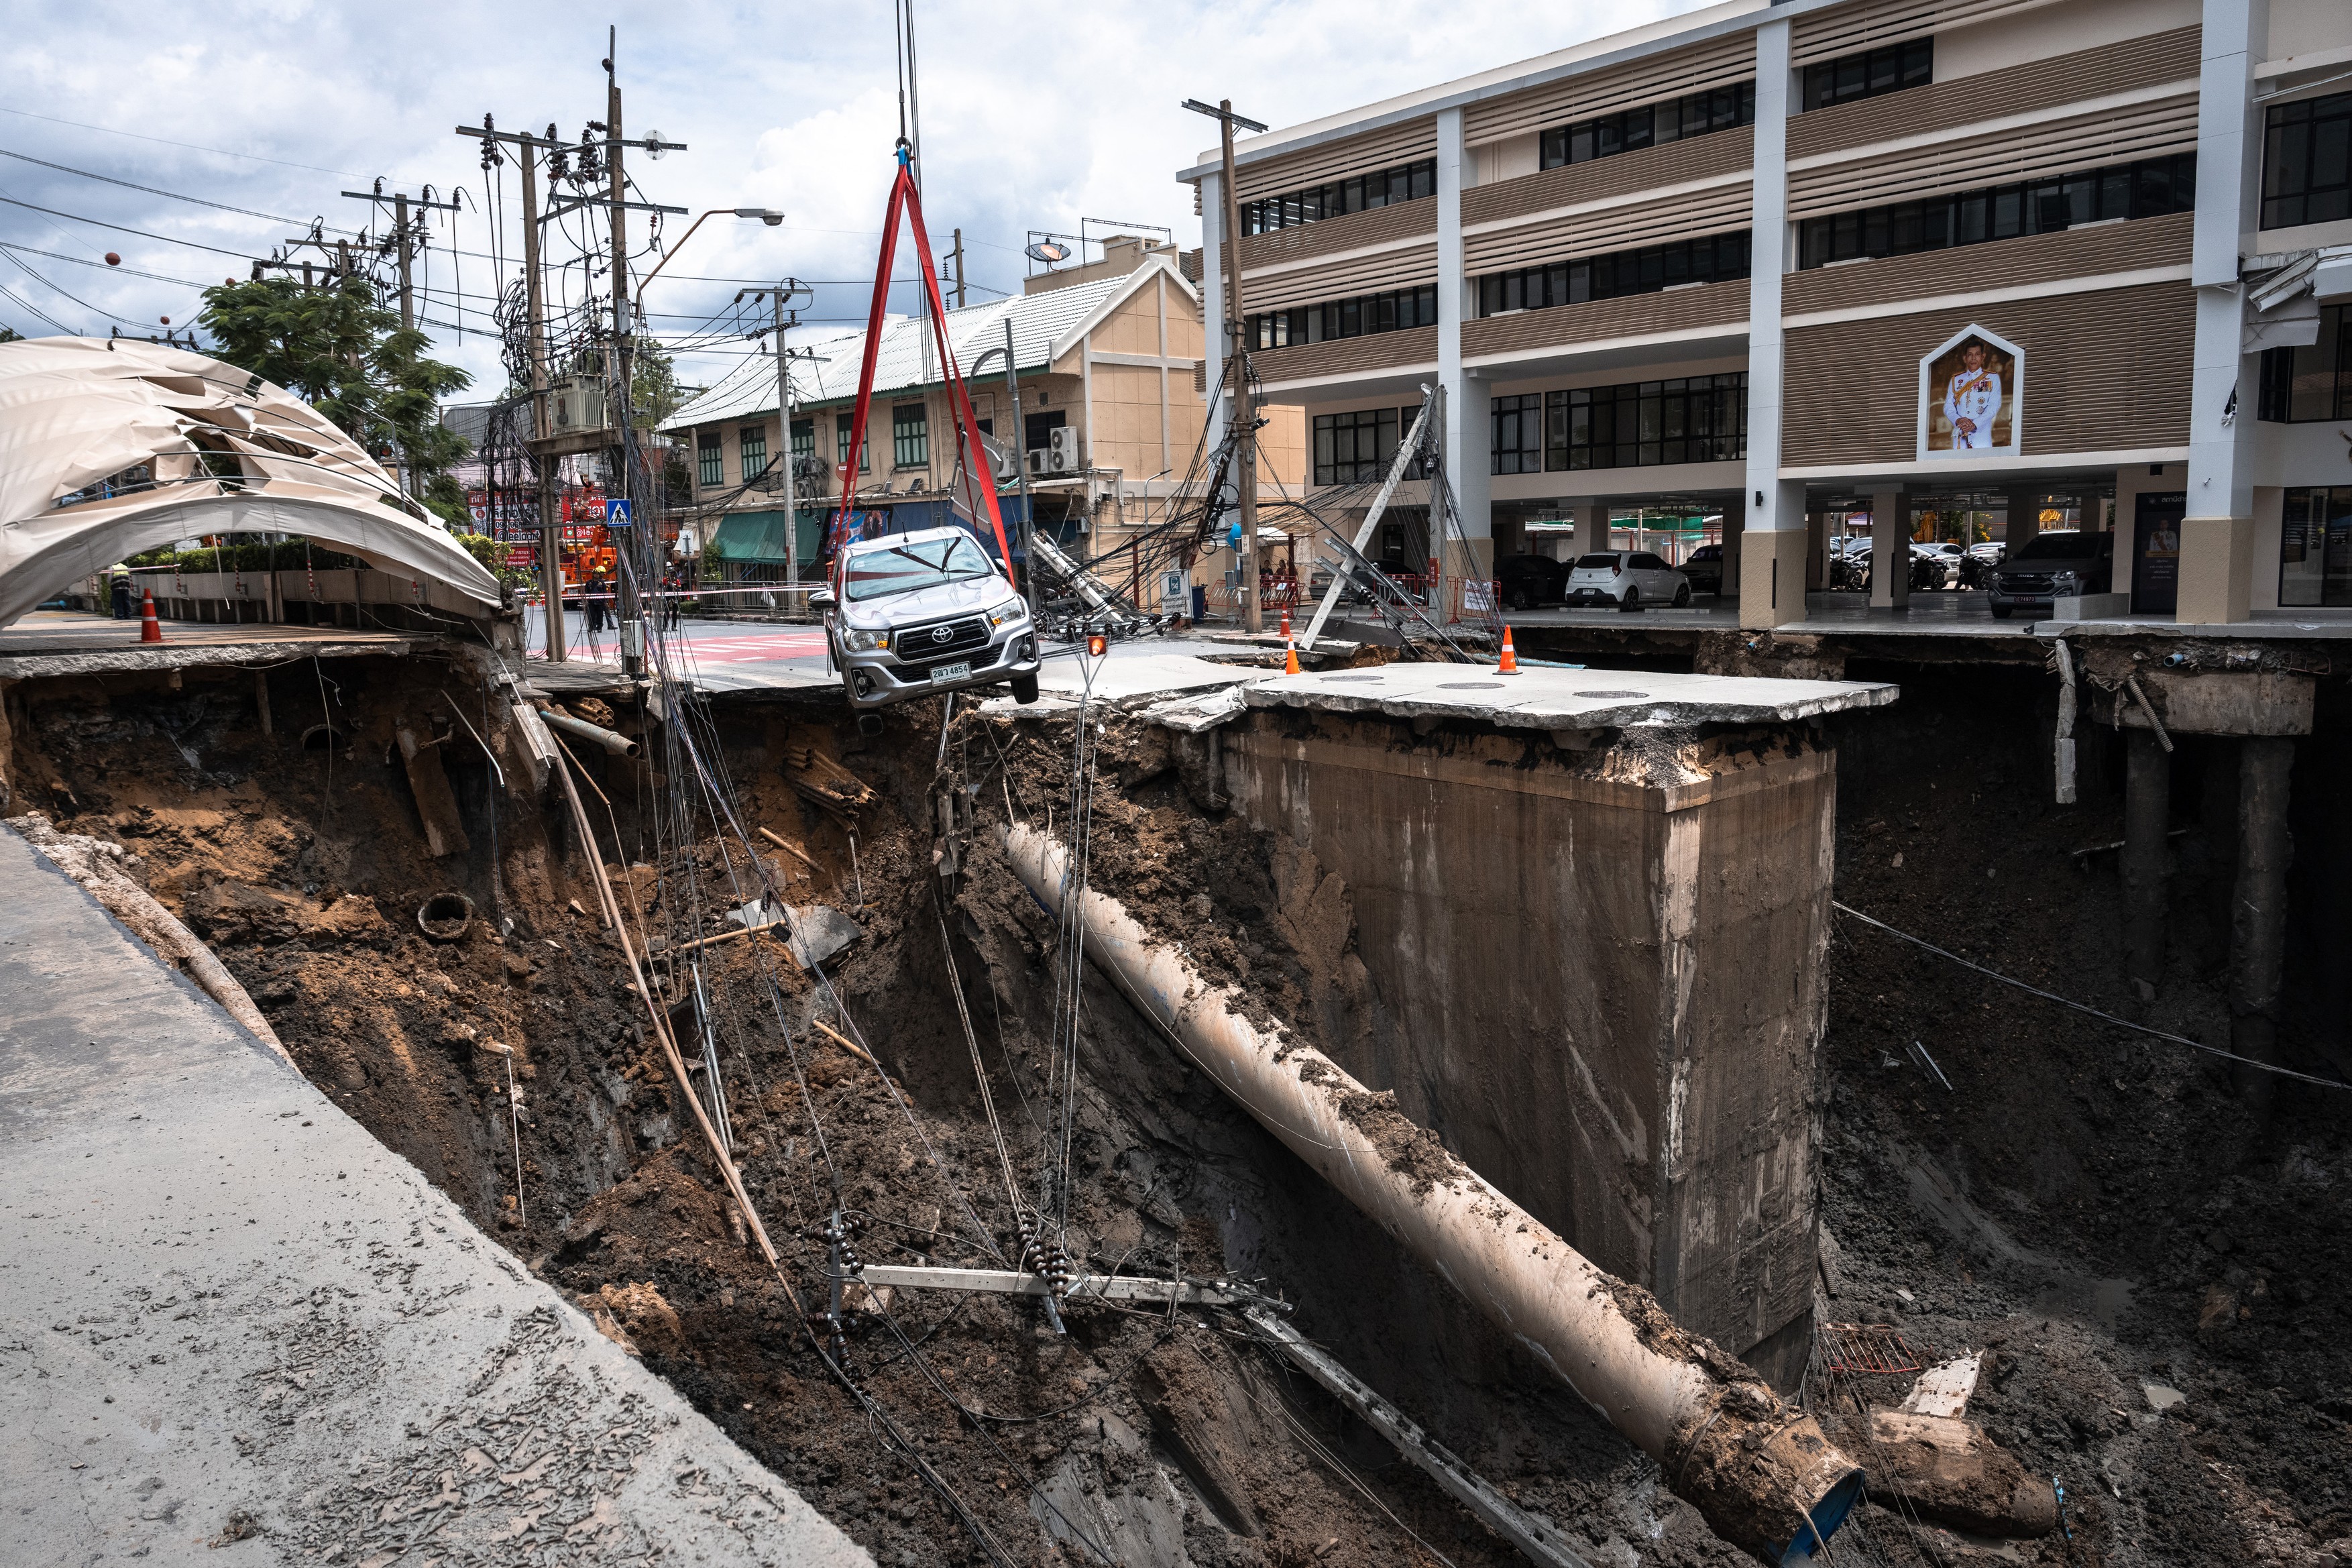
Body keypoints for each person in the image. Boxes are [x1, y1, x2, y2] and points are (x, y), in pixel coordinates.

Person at [1943, 341, 2003, 450]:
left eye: (1977, 354)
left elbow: (1993, 406)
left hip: (1981, 436)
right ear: (1965, 358)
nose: (1973, 358)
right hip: (1960, 437)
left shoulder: (1992, 378)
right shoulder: (1956, 380)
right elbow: (1948, 406)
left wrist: (1975, 424)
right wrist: (1958, 420)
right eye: (1970, 355)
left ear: (1982, 357)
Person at [585, 569, 608, 636]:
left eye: (598, 574)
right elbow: (586, 592)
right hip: (591, 602)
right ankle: (591, 627)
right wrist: (586, 601)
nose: (597, 575)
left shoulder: (602, 583)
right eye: (595, 574)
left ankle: (599, 628)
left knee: (600, 616)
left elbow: (605, 593)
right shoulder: (589, 583)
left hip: (600, 602)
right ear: (593, 574)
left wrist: (606, 601)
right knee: (591, 615)